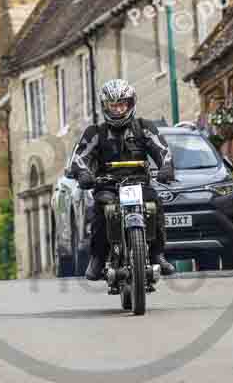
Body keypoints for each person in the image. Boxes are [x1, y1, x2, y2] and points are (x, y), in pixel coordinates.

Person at [71, 79, 176, 281]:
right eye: (113, 105)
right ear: (105, 106)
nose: (118, 110)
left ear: (130, 104)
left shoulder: (144, 127)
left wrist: (166, 167)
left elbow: (163, 151)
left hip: (139, 183)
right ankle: (98, 258)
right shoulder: (95, 132)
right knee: (102, 209)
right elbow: (79, 157)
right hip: (107, 186)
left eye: (122, 105)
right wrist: (83, 174)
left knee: (154, 203)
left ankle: (157, 253)